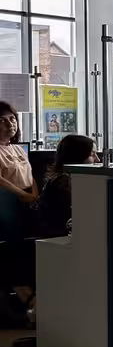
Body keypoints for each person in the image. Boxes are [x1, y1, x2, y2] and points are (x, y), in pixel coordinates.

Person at [33, 135, 98, 237]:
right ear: (78, 155)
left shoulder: (63, 179)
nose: (97, 159)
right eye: (92, 154)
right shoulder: (64, 183)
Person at [0, 102, 37, 243]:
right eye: (2, 120)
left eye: (12, 119)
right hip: (8, 203)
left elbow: (30, 174)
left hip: (27, 200)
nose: (10, 124)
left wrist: (34, 195)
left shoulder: (18, 149)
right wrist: (23, 195)